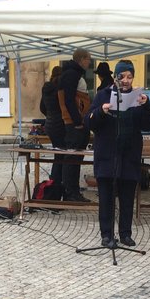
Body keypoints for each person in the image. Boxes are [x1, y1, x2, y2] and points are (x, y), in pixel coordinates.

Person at [86, 59, 150, 248]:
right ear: (116, 77)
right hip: (107, 156)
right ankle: (106, 235)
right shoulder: (102, 95)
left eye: (129, 76)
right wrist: (101, 111)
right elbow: (89, 122)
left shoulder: (138, 97)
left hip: (129, 155)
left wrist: (147, 105)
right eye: (122, 76)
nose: (126, 80)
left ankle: (125, 233)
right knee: (106, 198)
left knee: (127, 198)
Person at [58, 49, 93, 202]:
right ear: (81, 59)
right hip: (74, 123)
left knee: (75, 158)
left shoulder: (72, 73)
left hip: (76, 122)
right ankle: (70, 192)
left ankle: (72, 191)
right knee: (72, 158)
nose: (90, 62)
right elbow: (69, 100)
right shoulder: (72, 74)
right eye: (88, 59)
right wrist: (77, 121)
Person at [40, 65, 65, 195]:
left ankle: (55, 179)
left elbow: (42, 107)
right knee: (61, 154)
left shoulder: (46, 89)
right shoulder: (60, 90)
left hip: (49, 125)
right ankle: (56, 181)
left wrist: (49, 115)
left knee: (58, 153)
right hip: (60, 124)